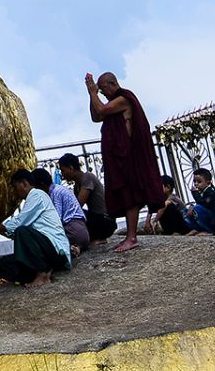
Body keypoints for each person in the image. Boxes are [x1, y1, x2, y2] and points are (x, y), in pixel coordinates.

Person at [84, 70, 168, 252]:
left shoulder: (124, 98)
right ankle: (130, 236)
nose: (103, 93)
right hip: (118, 157)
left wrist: (92, 92)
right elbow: (96, 117)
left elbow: (101, 110)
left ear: (113, 84)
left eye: (103, 89)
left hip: (128, 156)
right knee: (125, 194)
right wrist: (92, 95)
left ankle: (131, 237)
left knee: (131, 195)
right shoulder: (112, 103)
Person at [0, 168, 72, 286]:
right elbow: (15, 232)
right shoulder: (32, 200)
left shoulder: (37, 194)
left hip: (55, 250)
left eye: (15, 187)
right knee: (4, 263)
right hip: (45, 251)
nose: (15, 192)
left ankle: (43, 274)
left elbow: (19, 224)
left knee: (22, 231)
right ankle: (43, 270)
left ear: (24, 183)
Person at [58, 152, 118, 242]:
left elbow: (77, 206)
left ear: (71, 167)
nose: (62, 174)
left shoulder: (88, 178)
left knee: (75, 214)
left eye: (63, 170)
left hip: (106, 221)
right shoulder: (77, 186)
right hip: (98, 220)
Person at [33, 166, 91, 252]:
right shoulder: (58, 189)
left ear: (42, 185)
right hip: (81, 230)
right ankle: (76, 247)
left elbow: (57, 220)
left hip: (73, 230)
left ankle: (73, 247)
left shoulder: (55, 193)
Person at [184, 166, 215, 234]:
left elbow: (203, 203)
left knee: (197, 208)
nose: (196, 184)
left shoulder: (211, 192)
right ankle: (196, 229)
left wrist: (195, 194)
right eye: (194, 181)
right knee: (185, 211)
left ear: (208, 183)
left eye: (199, 182)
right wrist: (191, 207)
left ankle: (208, 231)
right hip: (206, 216)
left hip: (214, 221)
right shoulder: (201, 192)